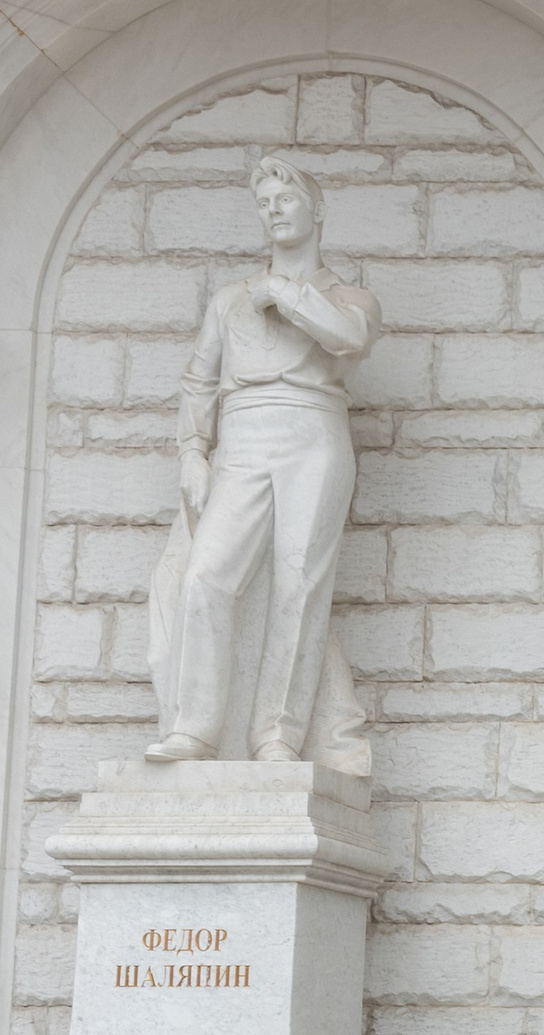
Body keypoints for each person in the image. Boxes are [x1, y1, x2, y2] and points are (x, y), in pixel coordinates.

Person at [145, 155, 378, 764]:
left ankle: (278, 735)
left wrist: (288, 296)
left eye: (286, 199)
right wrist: (193, 452)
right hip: (243, 437)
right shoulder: (231, 300)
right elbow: (199, 380)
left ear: (317, 210)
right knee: (205, 575)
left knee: (299, 584)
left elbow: (351, 339)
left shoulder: (349, 297)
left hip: (313, 432)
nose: (273, 211)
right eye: (264, 203)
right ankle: (195, 727)